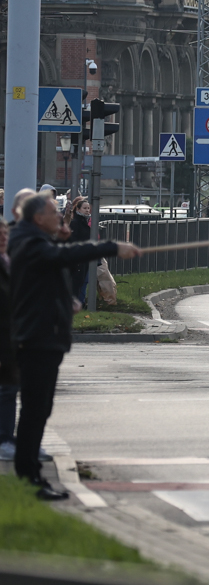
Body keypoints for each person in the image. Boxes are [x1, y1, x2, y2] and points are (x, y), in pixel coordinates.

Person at [9, 192, 138, 499]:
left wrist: (63, 301)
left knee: (39, 409)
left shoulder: (32, 239)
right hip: (38, 338)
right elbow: (60, 258)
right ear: (38, 218)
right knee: (35, 409)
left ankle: (29, 473)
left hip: (42, 335)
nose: (59, 216)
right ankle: (28, 475)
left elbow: (52, 271)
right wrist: (111, 247)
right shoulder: (30, 242)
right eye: (53, 213)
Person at [0, 215, 16, 463]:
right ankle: (4, 440)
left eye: (4, 233)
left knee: (10, 389)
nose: (3, 238)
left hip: (11, 338)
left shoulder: (8, 261)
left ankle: (7, 439)